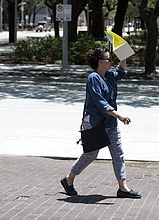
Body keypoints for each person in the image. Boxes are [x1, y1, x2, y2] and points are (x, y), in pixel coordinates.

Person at [61, 48, 142, 199]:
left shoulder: (109, 76)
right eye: (108, 59)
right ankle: (69, 179)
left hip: (110, 123)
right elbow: (100, 102)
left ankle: (123, 188)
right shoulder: (93, 78)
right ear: (100, 62)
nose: (111, 62)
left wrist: (123, 53)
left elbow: (122, 70)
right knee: (91, 155)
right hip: (95, 123)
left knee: (118, 154)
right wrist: (119, 115)